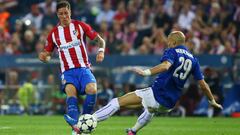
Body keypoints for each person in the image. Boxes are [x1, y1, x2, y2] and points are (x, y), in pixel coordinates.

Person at [92, 31, 223, 135]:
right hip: (170, 103)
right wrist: (212, 100)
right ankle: (133, 131)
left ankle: (89, 121)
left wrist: (146, 72)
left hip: (156, 93)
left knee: (117, 102)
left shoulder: (172, 51)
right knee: (150, 111)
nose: (167, 44)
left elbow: (166, 66)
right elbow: (203, 85)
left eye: (169, 42)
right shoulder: (194, 60)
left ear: (173, 42)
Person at [38, 1, 106, 135]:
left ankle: (83, 122)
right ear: (57, 15)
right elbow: (48, 55)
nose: (64, 16)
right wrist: (44, 57)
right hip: (67, 71)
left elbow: (100, 40)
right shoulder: (53, 34)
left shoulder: (80, 26)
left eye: (66, 13)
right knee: (70, 91)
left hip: (83, 68)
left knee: (92, 89)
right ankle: (75, 126)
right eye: (61, 14)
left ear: (70, 12)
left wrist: (101, 51)